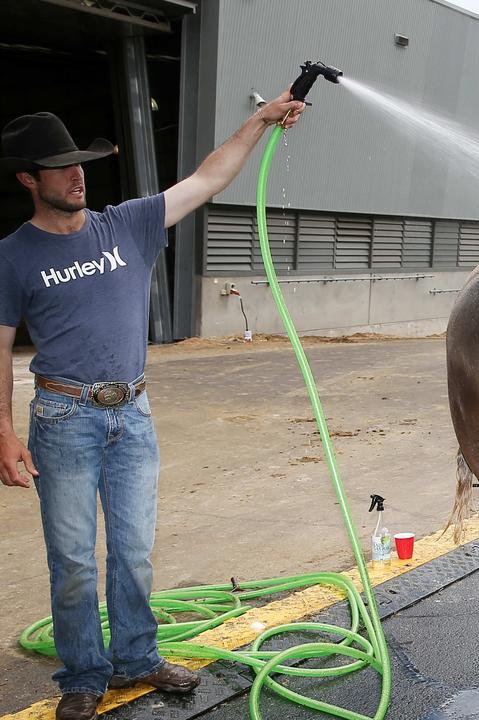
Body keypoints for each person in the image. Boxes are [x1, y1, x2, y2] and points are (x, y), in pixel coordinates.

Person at [0, 91, 304, 720]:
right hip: (62, 418)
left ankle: (137, 657)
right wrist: (3, 431)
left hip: (132, 414)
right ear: (30, 179)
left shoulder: (126, 223)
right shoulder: (11, 256)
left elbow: (208, 176)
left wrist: (257, 120)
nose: (76, 173)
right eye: (58, 166)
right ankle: (83, 674)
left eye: (78, 162)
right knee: (74, 561)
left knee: (134, 552)